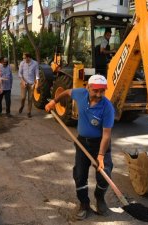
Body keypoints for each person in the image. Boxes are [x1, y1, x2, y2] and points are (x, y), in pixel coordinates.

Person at [45, 74, 115, 220]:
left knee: (105, 174)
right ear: (87, 87)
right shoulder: (80, 93)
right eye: (95, 90)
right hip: (82, 142)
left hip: (100, 144)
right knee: (80, 174)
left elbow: (107, 135)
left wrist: (101, 156)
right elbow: (66, 92)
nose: (98, 94)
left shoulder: (107, 107)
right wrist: (53, 101)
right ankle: (84, 203)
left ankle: (100, 198)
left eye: (102, 91)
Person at [18, 52, 39, 118]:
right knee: (23, 97)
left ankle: (29, 112)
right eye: (23, 58)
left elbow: (37, 75)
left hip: (31, 84)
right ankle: (22, 106)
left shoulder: (35, 63)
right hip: (23, 83)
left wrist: (37, 83)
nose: (23, 59)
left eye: (24, 58)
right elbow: (20, 74)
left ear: (28, 57)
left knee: (30, 99)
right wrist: (23, 81)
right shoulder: (22, 63)